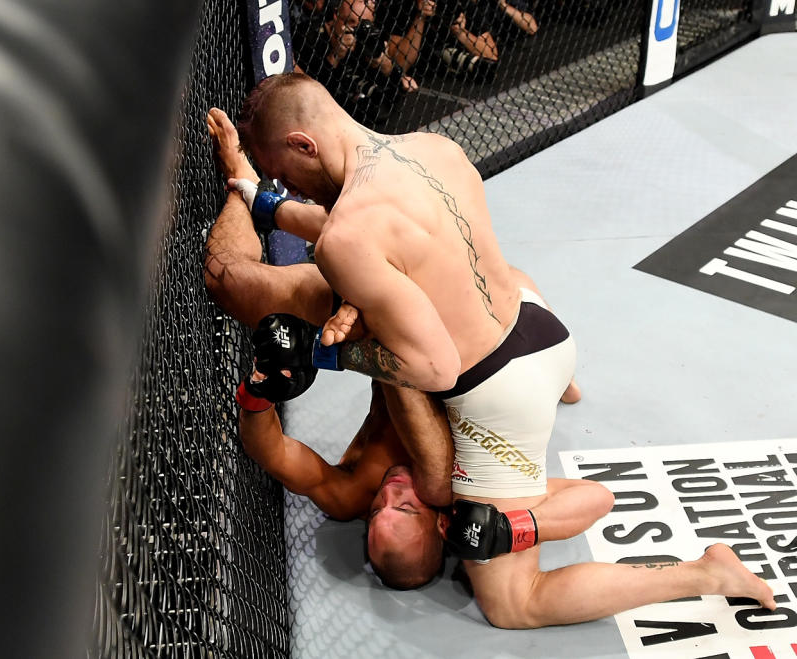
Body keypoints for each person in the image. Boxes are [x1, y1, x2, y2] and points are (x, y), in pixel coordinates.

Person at [205, 105, 778, 619]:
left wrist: (272, 377)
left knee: (232, 281)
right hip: (512, 338)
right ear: (441, 525)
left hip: (506, 346)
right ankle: (703, 572)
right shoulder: (432, 147)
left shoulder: (355, 489)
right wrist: (513, 528)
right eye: (402, 509)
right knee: (509, 602)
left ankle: (249, 195)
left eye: (382, 504)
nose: (391, 494)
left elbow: (281, 446)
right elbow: (597, 498)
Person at [292, 0, 418, 129]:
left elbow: (395, 89)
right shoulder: (308, 37)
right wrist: (334, 57)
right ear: (336, 15)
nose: (357, 31)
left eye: (364, 24)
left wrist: (385, 65)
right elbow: (309, 96)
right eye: (351, 23)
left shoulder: (369, 36)